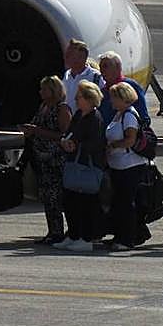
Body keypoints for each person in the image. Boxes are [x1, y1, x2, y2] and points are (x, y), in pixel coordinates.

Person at [20, 76, 73, 245]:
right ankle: (53, 230)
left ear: (53, 90)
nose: (41, 92)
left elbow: (65, 135)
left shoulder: (62, 109)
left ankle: (64, 232)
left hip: (56, 159)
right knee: (46, 197)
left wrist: (38, 131)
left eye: (44, 89)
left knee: (56, 196)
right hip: (41, 159)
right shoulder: (43, 106)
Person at [56, 80, 106, 252]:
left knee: (86, 204)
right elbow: (69, 132)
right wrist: (65, 141)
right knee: (70, 202)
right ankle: (73, 235)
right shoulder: (78, 114)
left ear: (89, 98)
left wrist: (77, 146)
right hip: (73, 162)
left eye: (79, 97)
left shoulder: (95, 118)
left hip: (87, 165)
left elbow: (96, 143)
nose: (76, 100)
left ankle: (86, 239)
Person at [105, 81, 150, 251]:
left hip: (130, 166)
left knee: (126, 203)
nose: (111, 101)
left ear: (122, 98)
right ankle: (119, 235)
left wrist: (113, 145)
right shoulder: (119, 114)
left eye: (113, 97)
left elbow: (130, 140)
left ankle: (127, 239)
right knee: (118, 202)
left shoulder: (129, 115)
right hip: (117, 165)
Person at [96, 51, 149, 125]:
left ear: (118, 67)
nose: (102, 70)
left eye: (105, 66)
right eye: (100, 67)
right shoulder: (103, 91)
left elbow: (143, 116)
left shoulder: (130, 86)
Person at [61, 39, 96, 112]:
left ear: (82, 57)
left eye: (70, 54)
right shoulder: (66, 74)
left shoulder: (95, 77)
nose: (65, 57)